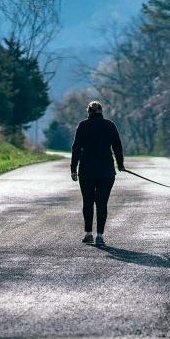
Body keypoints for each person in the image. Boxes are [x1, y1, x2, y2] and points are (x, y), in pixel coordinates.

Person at [70, 100, 125, 245]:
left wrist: (73, 169)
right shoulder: (110, 125)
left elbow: (76, 148)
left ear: (88, 111)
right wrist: (120, 164)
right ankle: (100, 235)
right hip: (106, 171)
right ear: (101, 111)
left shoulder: (83, 125)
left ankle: (88, 233)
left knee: (88, 202)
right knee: (102, 203)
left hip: (86, 171)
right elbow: (117, 146)